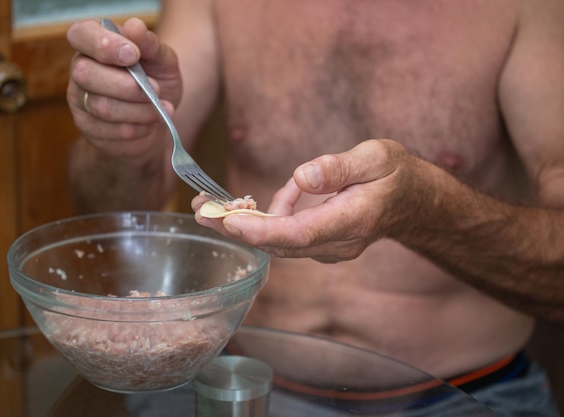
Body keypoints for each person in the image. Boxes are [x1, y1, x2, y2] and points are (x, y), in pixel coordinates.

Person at [65, 1, 564, 415]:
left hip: (461, 396)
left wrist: (426, 209)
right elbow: (111, 209)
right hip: (228, 376)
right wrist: (123, 143)